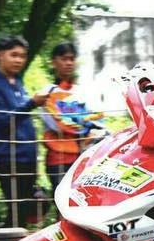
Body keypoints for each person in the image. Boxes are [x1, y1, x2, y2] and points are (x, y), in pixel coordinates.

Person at [0, 36, 48, 228]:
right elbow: (1, 121)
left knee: (26, 206)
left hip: (27, 155)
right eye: (13, 55)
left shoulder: (17, 82)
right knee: (17, 208)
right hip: (8, 157)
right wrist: (32, 103)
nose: (18, 60)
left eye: (22, 56)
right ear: (0, 55)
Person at [38, 43, 105, 193]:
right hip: (59, 158)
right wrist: (86, 125)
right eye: (64, 59)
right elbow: (59, 125)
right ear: (54, 62)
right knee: (63, 205)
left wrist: (84, 123)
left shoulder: (81, 91)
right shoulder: (47, 93)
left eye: (72, 59)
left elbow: (100, 120)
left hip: (85, 158)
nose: (68, 63)